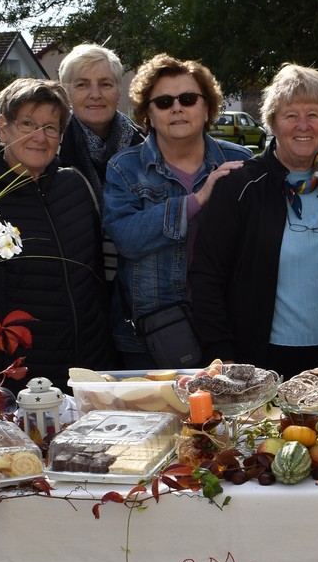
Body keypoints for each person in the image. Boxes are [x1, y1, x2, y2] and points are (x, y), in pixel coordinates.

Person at [190, 64, 318, 377]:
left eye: (314, 114)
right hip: (261, 357)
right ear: (273, 122)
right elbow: (206, 277)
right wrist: (221, 354)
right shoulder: (239, 186)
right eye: (291, 115)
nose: (303, 125)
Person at [103, 55, 252, 369]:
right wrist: (198, 199)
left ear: (207, 107)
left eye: (187, 98)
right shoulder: (125, 167)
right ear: (148, 115)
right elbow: (127, 238)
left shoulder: (240, 161)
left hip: (227, 328)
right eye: (163, 101)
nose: (176, 108)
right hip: (150, 337)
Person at [0, 78, 113, 382]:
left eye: (50, 127)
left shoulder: (75, 187)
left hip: (86, 369)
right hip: (14, 377)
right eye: (27, 124)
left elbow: (95, 279)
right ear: (3, 127)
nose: (39, 137)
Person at [57, 44, 145, 198]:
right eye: (82, 85)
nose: (95, 94)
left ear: (118, 91)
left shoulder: (146, 146)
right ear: (67, 93)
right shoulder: (53, 149)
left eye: (105, 84)